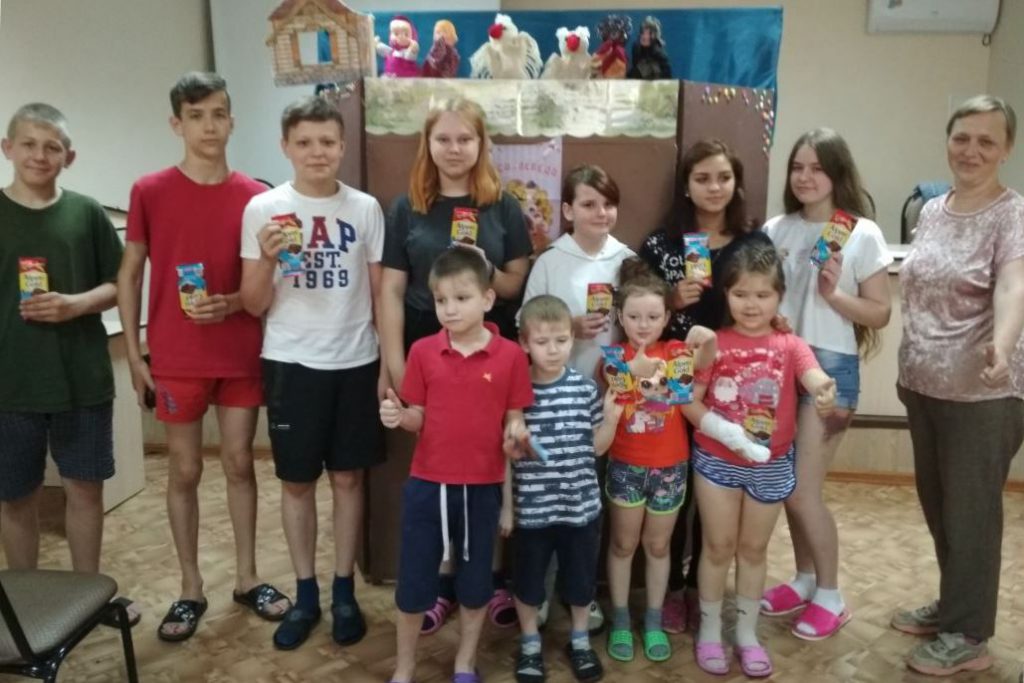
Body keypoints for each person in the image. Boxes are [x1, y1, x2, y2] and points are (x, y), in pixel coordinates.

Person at [118, 71, 290, 642]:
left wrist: (236, 303)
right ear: (177, 124)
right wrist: (137, 353)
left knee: (240, 463)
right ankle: (191, 587)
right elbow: (130, 273)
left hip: (240, 352)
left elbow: (265, 280)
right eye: (196, 116)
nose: (209, 126)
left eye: (218, 114)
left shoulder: (257, 197)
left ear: (232, 120)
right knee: (186, 470)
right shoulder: (149, 190)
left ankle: (247, 577)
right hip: (175, 355)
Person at [239, 95, 386, 650]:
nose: (317, 152)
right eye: (304, 142)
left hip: (356, 360)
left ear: (343, 146)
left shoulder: (365, 208)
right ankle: (305, 594)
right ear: (286, 147)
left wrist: (386, 365)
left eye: (327, 141)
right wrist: (267, 259)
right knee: (296, 481)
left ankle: (344, 589)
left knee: (348, 479)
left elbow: (381, 294)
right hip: (291, 363)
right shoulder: (263, 209)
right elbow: (253, 304)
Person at [381, 97, 532, 634]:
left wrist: (488, 270)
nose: (454, 149)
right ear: (427, 144)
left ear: (481, 144)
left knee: (488, 462)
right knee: (437, 467)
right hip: (427, 351)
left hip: (488, 353)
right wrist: (394, 362)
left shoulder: (502, 206)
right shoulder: (408, 207)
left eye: (465, 139)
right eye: (443, 139)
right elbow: (391, 289)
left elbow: (514, 282)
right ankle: (443, 585)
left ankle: (488, 579)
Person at [893, 95, 1024, 677]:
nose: (971, 150)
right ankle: (955, 604)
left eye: (986, 141)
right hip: (923, 384)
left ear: (1006, 149)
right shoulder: (932, 209)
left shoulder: (1013, 214)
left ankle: (969, 634)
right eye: (962, 137)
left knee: (971, 514)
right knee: (941, 507)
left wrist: (1004, 342)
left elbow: (1014, 285)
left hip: (983, 391)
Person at [0, 102, 134, 623]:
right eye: (29, 144)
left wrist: (75, 304)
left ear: (68, 157)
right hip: (11, 386)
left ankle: (88, 600)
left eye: (52, 147)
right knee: (16, 498)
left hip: (82, 381)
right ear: (7, 148)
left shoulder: (87, 213)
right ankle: (26, 607)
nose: (40, 155)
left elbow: (119, 283)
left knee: (84, 490)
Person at [761, 128, 892, 640]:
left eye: (817, 168)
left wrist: (834, 295)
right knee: (788, 487)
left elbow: (879, 313)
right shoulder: (776, 228)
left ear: (837, 173)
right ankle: (805, 579)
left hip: (831, 368)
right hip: (779, 364)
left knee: (803, 491)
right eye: (798, 167)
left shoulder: (861, 232)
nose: (805, 177)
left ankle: (832, 596)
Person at [379, 247, 533, 683]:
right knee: (413, 583)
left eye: (461, 298)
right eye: (441, 300)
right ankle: (405, 666)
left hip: (482, 487)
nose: (449, 309)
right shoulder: (423, 352)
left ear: (487, 298)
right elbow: (418, 416)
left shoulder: (510, 356)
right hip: (427, 485)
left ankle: (465, 661)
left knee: (475, 584)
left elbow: (515, 417)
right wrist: (399, 415)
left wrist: (517, 434)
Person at [683, 240, 835, 677]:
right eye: (741, 294)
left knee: (753, 550)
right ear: (726, 294)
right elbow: (689, 401)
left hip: (771, 464)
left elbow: (813, 375)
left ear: (779, 295)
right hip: (717, 462)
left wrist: (824, 390)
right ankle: (710, 631)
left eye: (763, 294)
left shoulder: (790, 344)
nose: (751, 304)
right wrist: (725, 432)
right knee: (717, 547)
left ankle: (747, 635)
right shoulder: (715, 344)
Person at [640, 138, 773, 634]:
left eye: (723, 178)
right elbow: (636, 306)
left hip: (734, 384)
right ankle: (673, 590)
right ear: (686, 185)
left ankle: (704, 590)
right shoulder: (661, 244)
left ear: (736, 183)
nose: (714, 188)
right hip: (672, 380)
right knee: (674, 488)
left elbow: (766, 301)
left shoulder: (753, 244)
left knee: (717, 488)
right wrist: (672, 300)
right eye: (702, 178)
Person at [517, 164, 632, 633]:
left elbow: (643, 319)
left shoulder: (627, 259)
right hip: (550, 401)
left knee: (588, 504)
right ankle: (540, 592)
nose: (600, 212)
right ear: (567, 210)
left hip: (607, 400)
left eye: (608, 204)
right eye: (588, 204)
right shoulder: (550, 260)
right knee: (546, 502)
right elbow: (523, 321)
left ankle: (580, 592)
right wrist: (570, 325)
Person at [602, 258, 714, 664]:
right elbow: (615, 381)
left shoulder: (677, 351)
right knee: (622, 544)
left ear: (667, 317)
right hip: (625, 465)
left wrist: (708, 339)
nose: (643, 324)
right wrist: (635, 368)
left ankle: (652, 619)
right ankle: (620, 618)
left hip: (671, 466)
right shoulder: (612, 356)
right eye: (634, 316)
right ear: (620, 317)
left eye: (653, 316)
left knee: (658, 545)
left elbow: (704, 361)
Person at [508, 294, 621, 683]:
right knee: (527, 584)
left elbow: (597, 448)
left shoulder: (585, 389)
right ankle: (530, 645)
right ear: (525, 343)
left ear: (572, 340)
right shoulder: (516, 394)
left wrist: (612, 419)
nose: (553, 349)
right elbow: (506, 454)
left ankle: (580, 641)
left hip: (580, 510)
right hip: (532, 514)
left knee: (580, 583)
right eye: (542, 342)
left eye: (561, 340)